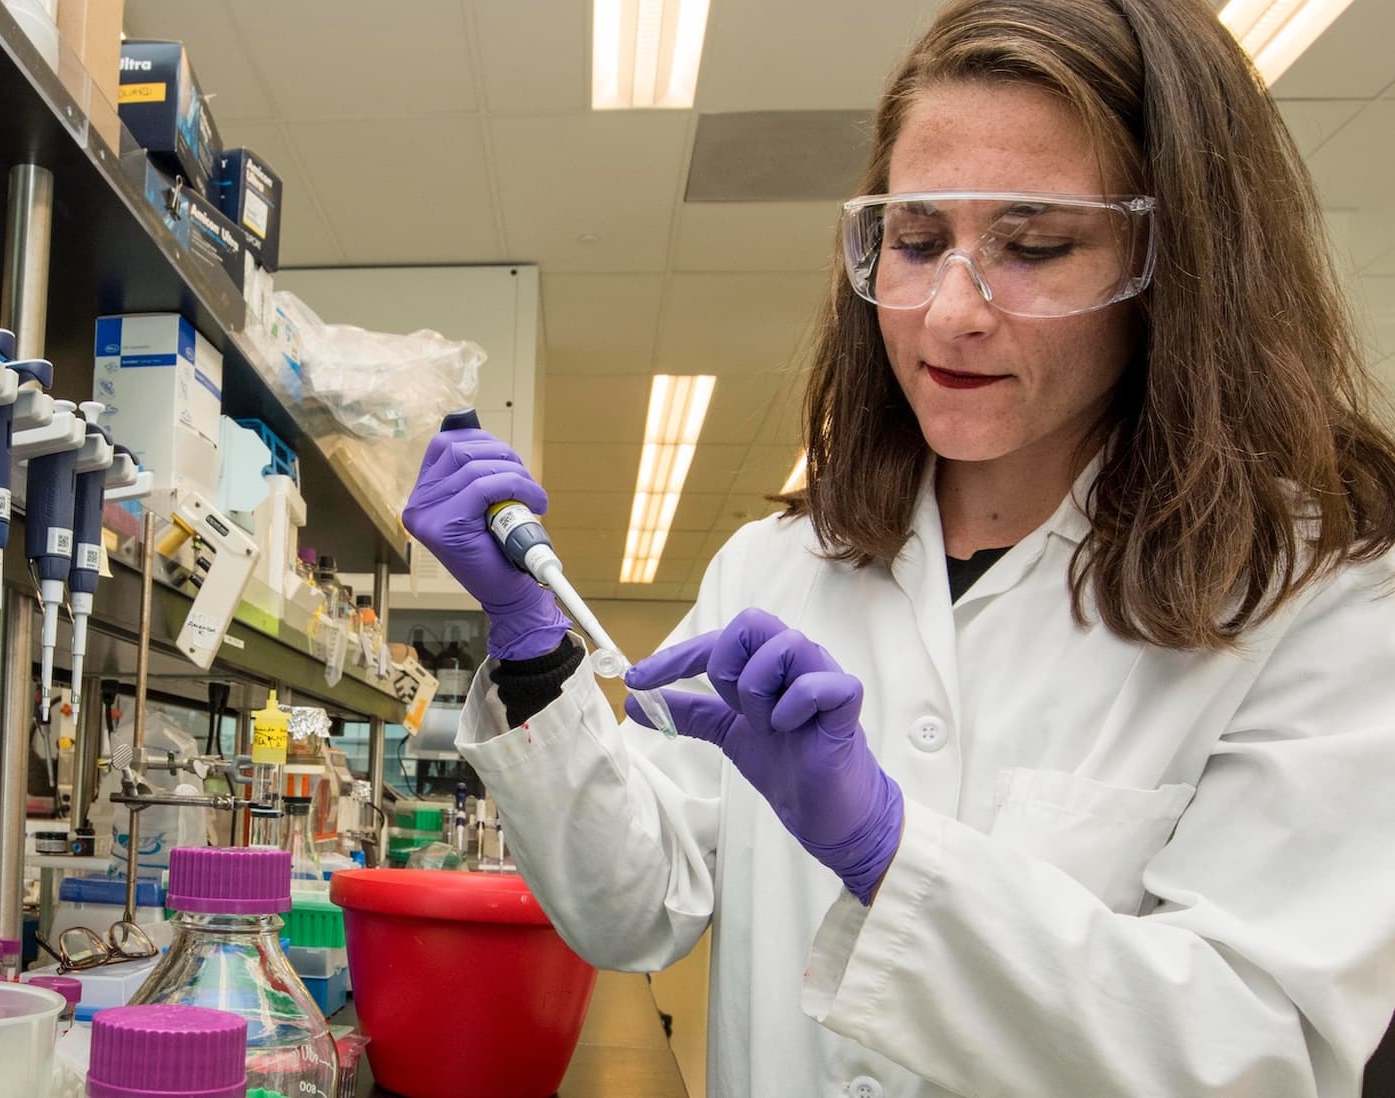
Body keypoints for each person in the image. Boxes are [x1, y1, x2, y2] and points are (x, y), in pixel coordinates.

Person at [402, 0, 1395, 1094]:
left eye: (1035, 247)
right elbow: (631, 909)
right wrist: (535, 645)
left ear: (1181, 268)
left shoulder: (1317, 596)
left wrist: (888, 852)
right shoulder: (777, 566)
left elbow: (1260, 1054)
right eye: (917, 242)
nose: (947, 314)